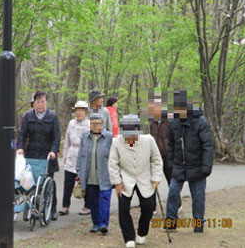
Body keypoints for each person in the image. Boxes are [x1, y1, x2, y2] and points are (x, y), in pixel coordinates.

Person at [109, 114, 163, 248]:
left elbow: (156, 159)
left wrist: (156, 177)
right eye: (127, 135)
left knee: (148, 207)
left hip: (144, 177)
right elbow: (113, 163)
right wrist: (117, 182)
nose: (130, 138)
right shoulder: (116, 142)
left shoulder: (148, 140)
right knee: (123, 209)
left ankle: (142, 232)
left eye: (133, 134)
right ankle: (129, 238)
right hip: (125, 178)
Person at [165, 90, 213, 233]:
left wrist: (206, 167)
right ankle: (171, 222)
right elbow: (171, 145)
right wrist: (171, 163)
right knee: (173, 193)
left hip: (197, 166)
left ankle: (198, 224)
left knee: (198, 197)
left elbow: (208, 146)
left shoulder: (201, 122)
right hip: (179, 165)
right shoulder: (174, 122)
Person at [17, 90, 61, 221]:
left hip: (48, 154)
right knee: (31, 183)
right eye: (38, 101)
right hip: (32, 153)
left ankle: (52, 209)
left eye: (43, 101)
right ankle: (33, 208)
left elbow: (56, 136)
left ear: (46, 102)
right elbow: (22, 134)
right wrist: (20, 148)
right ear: (34, 103)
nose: (40, 104)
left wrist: (54, 151)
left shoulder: (52, 117)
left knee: (48, 182)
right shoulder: (28, 116)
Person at [76, 113, 113, 234]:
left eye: (98, 123)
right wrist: (79, 173)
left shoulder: (109, 137)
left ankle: (103, 224)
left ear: (102, 124)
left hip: (105, 175)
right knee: (92, 201)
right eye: (93, 123)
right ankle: (96, 223)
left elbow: (114, 157)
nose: (95, 126)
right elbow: (80, 156)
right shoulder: (85, 137)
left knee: (104, 200)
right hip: (89, 175)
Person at [148, 90, 182, 213]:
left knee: (172, 181)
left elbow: (176, 138)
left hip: (167, 155)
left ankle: (177, 204)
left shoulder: (170, 120)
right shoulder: (150, 122)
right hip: (152, 157)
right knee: (151, 182)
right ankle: (151, 207)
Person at [59, 101, 90, 216]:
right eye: (77, 110)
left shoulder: (89, 124)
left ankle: (87, 206)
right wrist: (65, 157)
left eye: (82, 110)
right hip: (72, 154)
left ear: (86, 112)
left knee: (85, 181)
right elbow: (67, 141)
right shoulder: (71, 123)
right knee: (68, 181)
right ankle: (65, 206)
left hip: (84, 155)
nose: (79, 113)